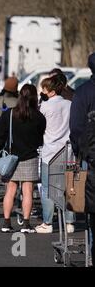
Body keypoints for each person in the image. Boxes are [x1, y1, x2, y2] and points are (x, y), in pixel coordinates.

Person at [0, 84, 46, 233]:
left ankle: (6, 223)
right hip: (30, 156)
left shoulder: (9, 114)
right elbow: (40, 138)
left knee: (10, 191)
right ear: (34, 97)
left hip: (11, 156)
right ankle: (26, 224)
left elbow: (1, 135)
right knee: (28, 191)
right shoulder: (38, 116)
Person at [35, 76, 75, 233]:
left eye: (44, 88)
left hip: (50, 152)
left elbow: (40, 128)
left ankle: (48, 222)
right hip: (68, 151)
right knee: (68, 187)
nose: (42, 91)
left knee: (47, 188)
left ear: (50, 91)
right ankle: (70, 222)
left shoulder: (45, 107)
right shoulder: (70, 104)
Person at [69, 52, 95, 262]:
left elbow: (76, 127)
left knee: (92, 204)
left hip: (90, 154)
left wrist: (79, 151)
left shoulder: (82, 92)